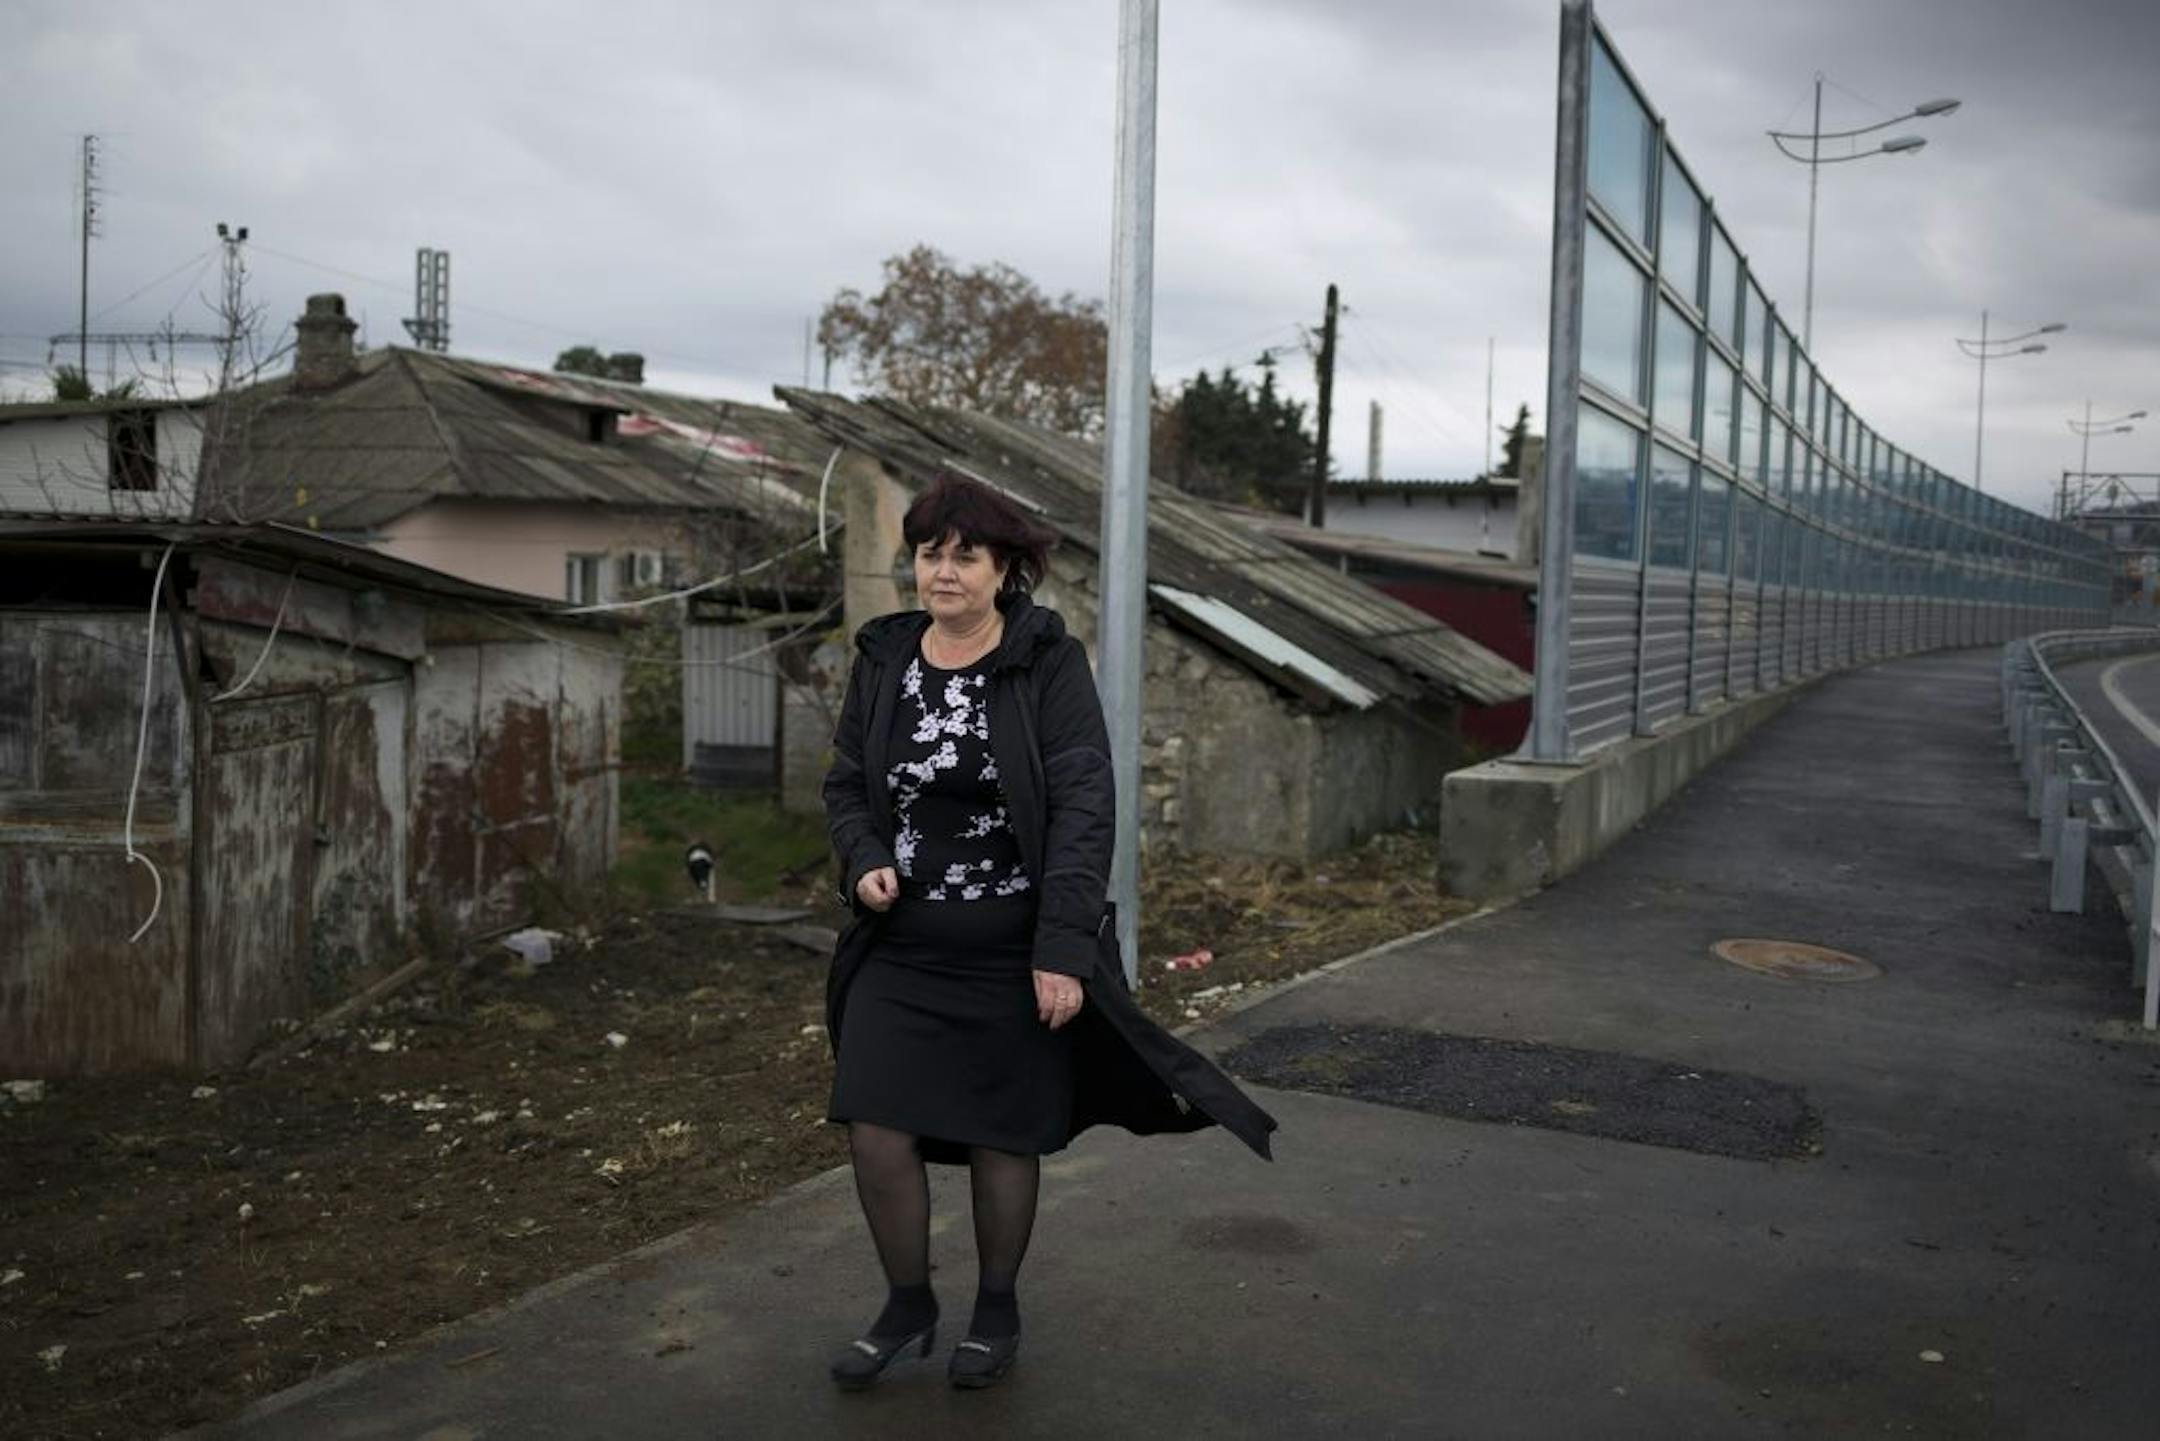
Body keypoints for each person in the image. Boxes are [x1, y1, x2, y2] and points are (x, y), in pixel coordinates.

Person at [821, 473, 1277, 1392]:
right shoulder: (885, 660)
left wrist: (1063, 947)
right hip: (901, 945)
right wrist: (863, 852)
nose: (942, 572)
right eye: (928, 553)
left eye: (964, 555)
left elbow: (1083, 804)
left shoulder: (1041, 663)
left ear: (1003, 570)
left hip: (1010, 947)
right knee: (875, 1127)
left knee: (1001, 1135)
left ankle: (996, 1306)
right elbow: (843, 784)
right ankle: (908, 1301)